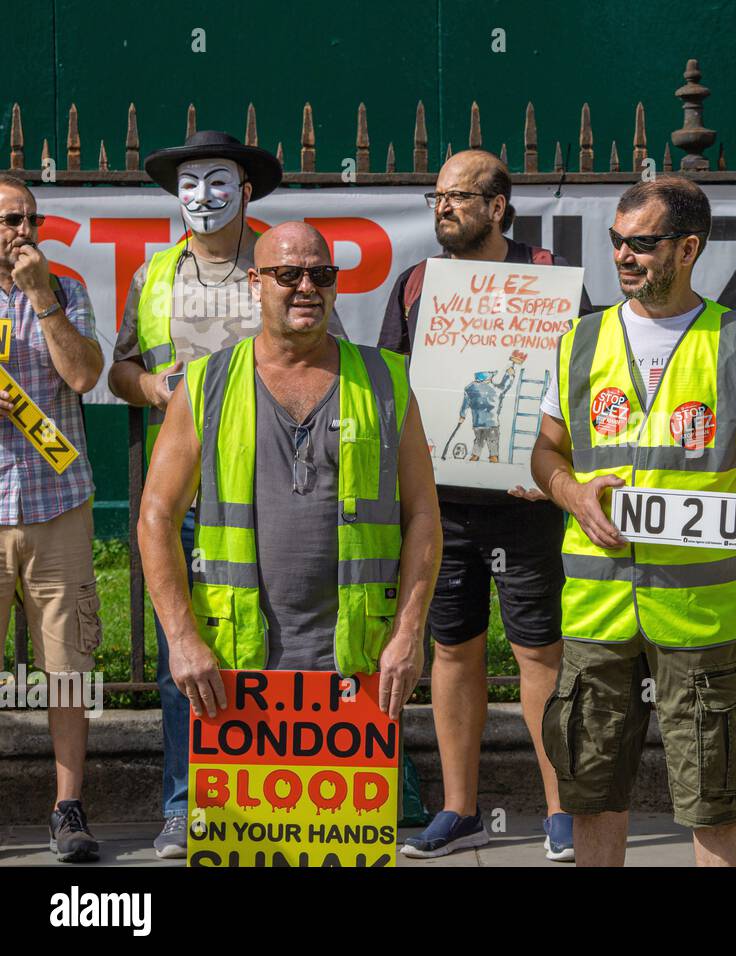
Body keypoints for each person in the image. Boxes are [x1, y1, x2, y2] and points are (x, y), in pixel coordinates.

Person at [532, 175, 736, 867]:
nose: (623, 256)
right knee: (591, 794)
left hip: (702, 615)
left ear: (688, 249)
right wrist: (570, 492)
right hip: (598, 609)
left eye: (641, 244)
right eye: (616, 242)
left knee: (714, 798)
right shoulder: (579, 342)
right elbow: (545, 453)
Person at [138, 222, 439, 737]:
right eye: (288, 274)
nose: (307, 287)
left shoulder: (386, 381)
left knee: (346, 819)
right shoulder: (205, 384)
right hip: (236, 668)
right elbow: (156, 518)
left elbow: (423, 516)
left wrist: (409, 631)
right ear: (256, 284)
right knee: (242, 818)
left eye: (321, 274)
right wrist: (182, 638)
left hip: (358, 664)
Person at [109, 129, 303, 859]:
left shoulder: (282, 265)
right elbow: (121, 369)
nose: (202, 197)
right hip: (184, 498)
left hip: (278, 490)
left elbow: (327, 352)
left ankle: (272, 802)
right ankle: (184, 806)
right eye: (189, 184)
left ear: (245, 190)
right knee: (180, 658)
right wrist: (151, 386)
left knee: (279, 649)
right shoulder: (152, 274)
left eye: (217, 181)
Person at [383, 149, 580, 861]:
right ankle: (461, 809)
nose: (443, 208)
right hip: (441, 506)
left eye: (458, 197)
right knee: (451, 650)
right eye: (436, 196)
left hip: (528, 501)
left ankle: (563, 812)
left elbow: (581, 389)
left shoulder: (552, 277)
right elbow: (395, 395)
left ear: (498, 206)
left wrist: (556, 466)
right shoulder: (414, 284)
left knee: (540, 651)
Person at [0, 173, 106, 862]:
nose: (21, 231)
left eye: (29, 219)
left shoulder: (65, 290)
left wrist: (42, 299)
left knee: (66, 669)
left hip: (55, 502)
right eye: (9, 219)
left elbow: (85, 375)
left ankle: (68, 809)